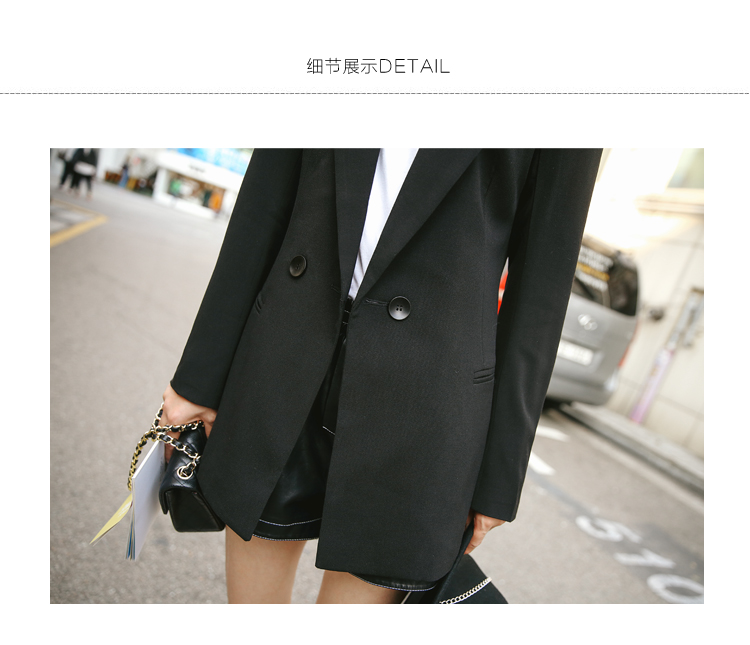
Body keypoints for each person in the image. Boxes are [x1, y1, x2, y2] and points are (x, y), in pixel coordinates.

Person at [160, 148, 602, 604]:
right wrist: (199, 378)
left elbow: (541, 291)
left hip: (426, 397)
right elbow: (264, 196)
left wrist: (497, 481)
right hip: (285, 347)